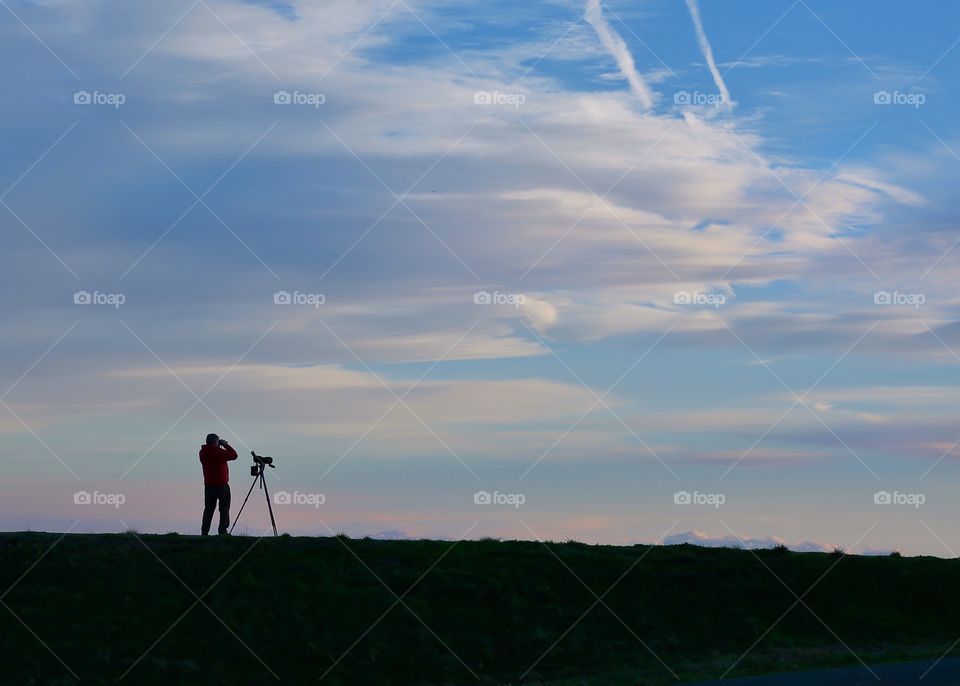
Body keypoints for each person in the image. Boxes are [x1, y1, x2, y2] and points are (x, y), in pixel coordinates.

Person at [199, 433, 238, 536]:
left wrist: (219, 446)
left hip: (209, 485)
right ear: (216, 442)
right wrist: (225, 445)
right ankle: (222, 531)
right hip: (222, 485)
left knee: (208, 509)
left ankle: (204, 531)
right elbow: (234, 455)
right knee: (224, 508)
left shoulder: (202, 452)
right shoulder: (218, 452)